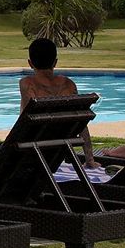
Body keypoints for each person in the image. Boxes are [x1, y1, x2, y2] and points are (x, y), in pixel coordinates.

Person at [18, 37, 97, 168]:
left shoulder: (27, 84)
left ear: (30, 63)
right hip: (59, 151)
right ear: (55, 62)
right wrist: (90, 159)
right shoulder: (69, 85)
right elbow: (81, 122)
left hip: (30, 152)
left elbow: (25, 124)